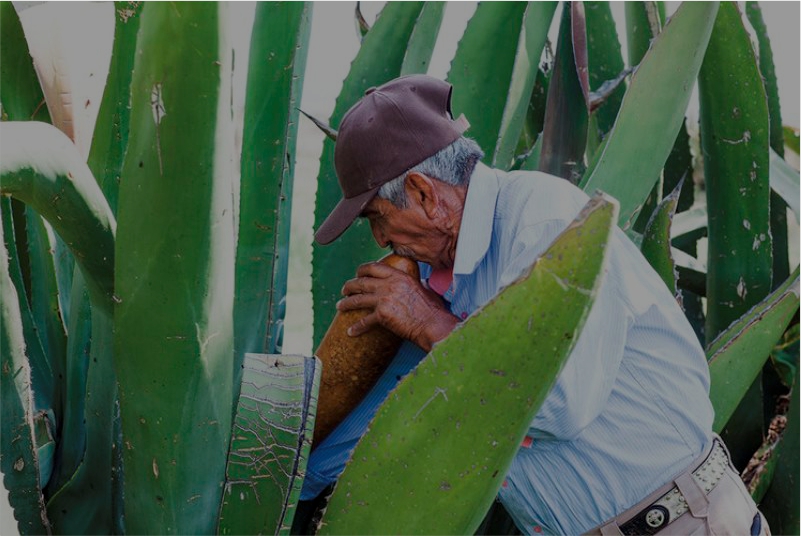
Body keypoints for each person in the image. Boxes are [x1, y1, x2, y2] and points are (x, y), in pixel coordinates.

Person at [300, 74, 769, 535]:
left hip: (685, 522)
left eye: (377, 218)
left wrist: (428, 322)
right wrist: (283, 470)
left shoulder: (545, 221)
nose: (380, 239)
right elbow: (371, 427)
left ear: (425, 194)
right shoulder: (432, 285)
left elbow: (559, 404)